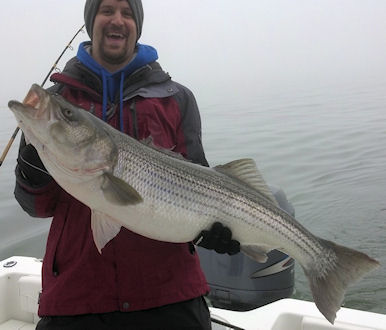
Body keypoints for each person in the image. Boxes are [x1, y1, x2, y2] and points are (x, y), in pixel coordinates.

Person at [14, 0, 240, 329]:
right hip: (76, 297)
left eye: (128, 13)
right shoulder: (59, 97)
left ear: (137, 25)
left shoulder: (176, 99)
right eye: (106, 10)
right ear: (91, 22)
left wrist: (210, 229)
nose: (117, 20)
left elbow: (200, 181)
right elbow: (34, 206)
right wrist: (35, 155)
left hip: (170, 295)